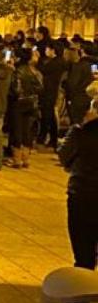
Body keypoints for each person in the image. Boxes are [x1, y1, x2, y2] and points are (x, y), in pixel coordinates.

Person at [58, 98, 98, 269]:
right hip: (83, 193)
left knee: (83, 255)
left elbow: (64, 156)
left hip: (83, 194)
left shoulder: (82, 132)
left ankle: (84, 290)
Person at [7, 47, 44, 168]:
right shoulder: (37, 73)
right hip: (32, 103)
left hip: (19, 103)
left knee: (17, 130)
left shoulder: (19, 71)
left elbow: (16, 90)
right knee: (27, 130)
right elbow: (41, 88)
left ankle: (17, 159)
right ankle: (26, 158)